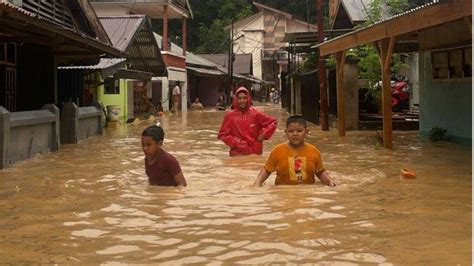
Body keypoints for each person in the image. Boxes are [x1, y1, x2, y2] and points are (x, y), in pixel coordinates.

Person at [253, 115, 337, 187]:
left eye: (299, 131)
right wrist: (257, 184)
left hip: (307, 192)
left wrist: (330, 181)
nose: (295, 134)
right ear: (286, 132)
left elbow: (320, 171)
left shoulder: (314, 151)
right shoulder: (277, 150)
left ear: (306, 131)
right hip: (283, 192)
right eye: (290, 131)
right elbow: (267, 170)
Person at [218, 87, 277, 156]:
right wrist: (238, 143)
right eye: (240, 98)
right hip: (237, 154)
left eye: (245, 98)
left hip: (255, 153)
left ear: (248, 99)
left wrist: (264, 134)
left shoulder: (256, 114)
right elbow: (222, 135)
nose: (242, 100)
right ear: (236, 99)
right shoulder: (230, 116)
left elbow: (273, 122)